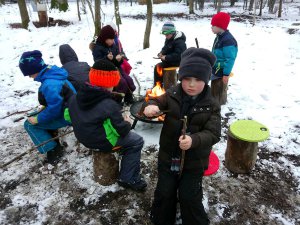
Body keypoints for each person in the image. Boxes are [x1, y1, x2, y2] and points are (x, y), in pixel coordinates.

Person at [143, 47, 221, 225]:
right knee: (165, 191)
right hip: (168, 156)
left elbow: (214, 133)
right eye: (187, 79)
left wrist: (194, 140)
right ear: (180, 78)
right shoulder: (172, 94)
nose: (191, 84)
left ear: (206, 80)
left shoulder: (211, 104)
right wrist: (151, 106)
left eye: (198, 80)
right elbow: (156, 100)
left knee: (189, 196)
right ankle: (161, 219)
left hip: (195, 161)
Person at [67, 59, 147, 192]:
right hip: (100, 141)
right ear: (111, 82)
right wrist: (127, 122)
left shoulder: (76, 96)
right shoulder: (108, 105)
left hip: (82, 136)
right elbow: (121, 130)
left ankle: (121, 153)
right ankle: (128, 178)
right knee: (137, 141)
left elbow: (67, 115)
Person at [19, 50, 76, 164]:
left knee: (29, 125)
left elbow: (54, 110)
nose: (30, 77)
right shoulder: (52, 72)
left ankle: (53, 149)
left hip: (69, 116)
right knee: (36, 115)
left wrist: (37, 119)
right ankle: (51, 140)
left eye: (29, 74)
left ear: (34, 70)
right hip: (71, 109)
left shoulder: (49, 84)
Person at [91, 25, 136, 104]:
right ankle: (116, 102)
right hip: (105, 73)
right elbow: (97, 63)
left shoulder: (113, 46)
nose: (112, 41)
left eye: (112, 39)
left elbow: (117, 61)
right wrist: (107, 58)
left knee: (129, 80)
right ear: (105, 38)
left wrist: (119, 59)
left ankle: (128, 98)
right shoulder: (97, 48)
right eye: (110, 39)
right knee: (122, 83)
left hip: (116, 68)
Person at [210, 12, 238, 105]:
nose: (211, 27)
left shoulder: (228, 40)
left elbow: (230, 59)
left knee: (210, 81)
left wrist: (226, 74)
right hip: (216, 66)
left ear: (219, 26)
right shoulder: (219, 37)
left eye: (213, 25)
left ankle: (217, 102)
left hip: (221, 69)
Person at [154, 21, 187, 86]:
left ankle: (166, 85)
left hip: (178, 62)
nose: (166, 36)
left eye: (167, 34)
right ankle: (158, 86)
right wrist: (161, 53)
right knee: (158, 67)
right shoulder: (169, 39)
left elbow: (179, 55)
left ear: (172, 32)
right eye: (164, 34)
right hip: (170, 61)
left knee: (160, 66)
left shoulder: (180, 41)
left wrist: (166, 57)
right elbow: (166, 48)